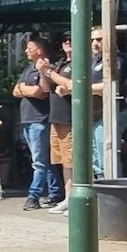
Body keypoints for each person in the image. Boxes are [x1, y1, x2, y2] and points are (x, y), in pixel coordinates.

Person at [13, 36, 57, 210]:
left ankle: (33, 196)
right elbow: (15, 91)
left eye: (29, 48)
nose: (25, 51)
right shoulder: (28, 68)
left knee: (38, 162)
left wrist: (26, 89)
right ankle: (55, 193)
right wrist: (27, 90)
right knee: (44, 160)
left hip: (40, 119)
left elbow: (42, 91)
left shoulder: (47, 68)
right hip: (28, 119)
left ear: (39, 50)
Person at [87, 28, 127, 180]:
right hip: (94, 115)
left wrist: (82, 88)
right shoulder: (93, 62)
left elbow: (110, 86)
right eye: (92, 40)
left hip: (111, 112)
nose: (95, 43)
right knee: (96, 160)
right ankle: (101, 196)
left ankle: (113, 194)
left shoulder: (117, 60)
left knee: (107, 157)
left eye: (99, 39)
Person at [47, 33, 76, 212]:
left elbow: (72, 84)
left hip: (69, 118)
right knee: (62, 161)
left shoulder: (81, 62)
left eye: (71, 40)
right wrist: (45, 73)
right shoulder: (60, 63)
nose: (66, 43)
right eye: (64, 40)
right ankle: (68, 197)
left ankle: (74, 198)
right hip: (56, 117)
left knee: (72, 160)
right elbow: (46, 87)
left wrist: (50, 73)